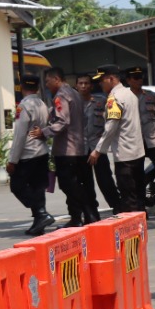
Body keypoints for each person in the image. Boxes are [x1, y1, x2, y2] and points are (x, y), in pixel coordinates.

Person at [45, 66, 98, 226]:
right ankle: (79, 217)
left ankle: (86, 214)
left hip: (67, 150)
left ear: (56, 79)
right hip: (79, 148)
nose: (47, 85)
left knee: (70, 185)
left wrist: (44, 132)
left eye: (48, 81)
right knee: (79, 184)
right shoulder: (75, 94)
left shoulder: (61, 96)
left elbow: (62, 121)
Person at [91, 64, 147, 213]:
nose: (100, 84)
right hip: (138, 152)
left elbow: (110, 127)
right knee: (139, 194)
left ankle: (134, 230)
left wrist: (98, 150)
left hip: (124, 155)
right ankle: (142, 224)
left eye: (102, 80)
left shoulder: (114, 99)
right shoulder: (130, 94)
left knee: (129, 197)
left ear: (111, 79)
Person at [6, 73, 55, 235]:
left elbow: (20, 135)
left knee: (17, 186)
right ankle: (39, 220)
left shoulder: (24, 106)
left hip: (27, 153)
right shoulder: (42, 103)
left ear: (21, 87)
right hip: (41, 151)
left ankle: (41, 213)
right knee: (37, 187)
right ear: (37, 87)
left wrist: (12, 160)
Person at [126, 66, 155, 214]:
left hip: (153, 140)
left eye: (140, 77)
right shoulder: (124, 97)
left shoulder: (150, 96)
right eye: (135, 77)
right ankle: (140, 208)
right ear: (128, 80)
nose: (139, 80)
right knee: (137, 177)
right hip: (135, 142)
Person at [80, 72, 121, 216]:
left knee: (105, 180)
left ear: (91, 86)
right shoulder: (74, 103)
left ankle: (117, 206)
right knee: (86, 183)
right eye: (81, 83)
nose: (84, 86)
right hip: (81, 149)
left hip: (98, 147)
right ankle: (91, 212)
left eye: (86, 83)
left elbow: (109, 123)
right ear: (76, 86)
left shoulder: (102, 101)